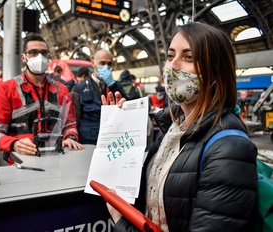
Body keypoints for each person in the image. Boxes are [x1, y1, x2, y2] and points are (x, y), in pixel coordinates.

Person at [103, 22, 257, 232]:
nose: (172, 66)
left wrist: (121, 222)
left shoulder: (229, 147)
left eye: (188, 57)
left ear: (215, 73)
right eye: (170, 55)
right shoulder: (173, 130)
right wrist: (117, 129)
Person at [0, 33, 83, 164]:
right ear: (24, 58)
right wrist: (13, 144)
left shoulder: (62, 90)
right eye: (33, 52)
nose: (39, 57)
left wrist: (70, 137)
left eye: (44, 53)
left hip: (56, 161)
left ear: (49, 57)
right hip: (20, 163)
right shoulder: (6, 89)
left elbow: (70, 125)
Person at [71, 50, 129, 145]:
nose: (106, 67)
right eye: (102, 63)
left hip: (113, 140)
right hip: (88, 141)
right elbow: (74, 118)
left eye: (109, 64)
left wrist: (112, 85)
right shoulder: (79, 88)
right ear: (93, 63)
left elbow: (128, 106)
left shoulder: (116, 86)